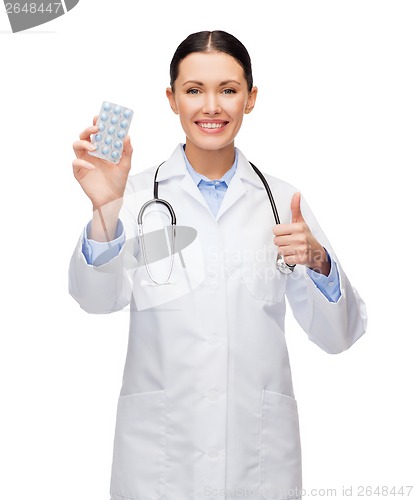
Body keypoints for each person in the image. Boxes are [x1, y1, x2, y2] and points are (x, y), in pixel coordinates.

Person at [69, 30, 367, 500]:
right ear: (172, 99)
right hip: (159, 463)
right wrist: (105, 207)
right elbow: (94, 299)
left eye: (228, 90)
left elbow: (339, 335)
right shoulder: (135, 196)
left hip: (257, 462)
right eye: (194, 90)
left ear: (250, 98)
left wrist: (318, 261)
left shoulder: (281, 201)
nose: (212, 107)